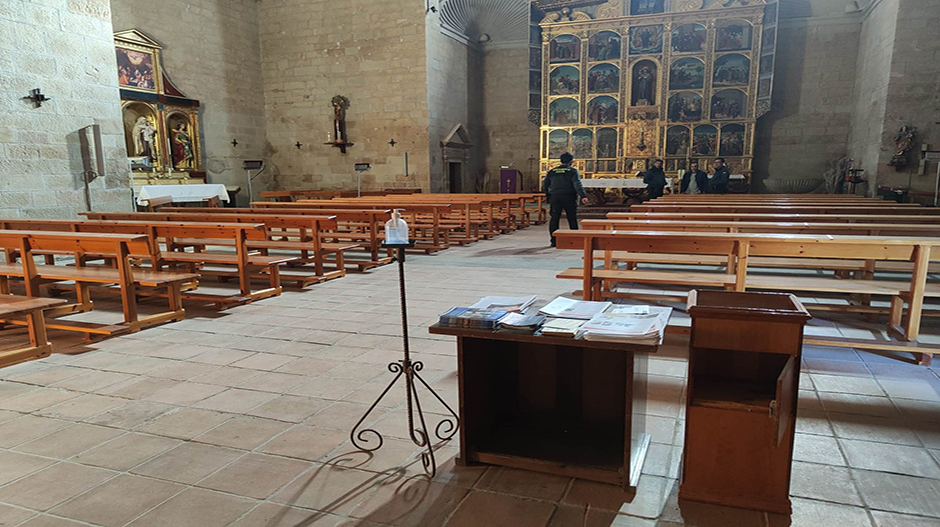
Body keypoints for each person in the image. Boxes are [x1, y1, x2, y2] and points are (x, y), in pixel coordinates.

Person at [543, 152, 588, 247]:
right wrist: (583, 196)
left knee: (554, 219)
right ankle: (574, 240)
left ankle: (554, 241)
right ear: (571, 161)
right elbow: (577, 184)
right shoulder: (572, 171)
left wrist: (548, 196)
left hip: (555, 197)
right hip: (569, 197)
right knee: (572, 218)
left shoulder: (552, 171)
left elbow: (545, 185)